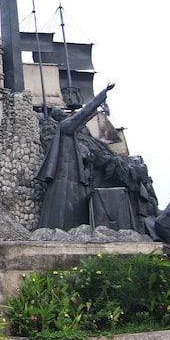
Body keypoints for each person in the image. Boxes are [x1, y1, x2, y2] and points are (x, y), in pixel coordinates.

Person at [36, 82, 115, 230]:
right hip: (66, 174)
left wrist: (98, 108)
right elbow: (82, 115)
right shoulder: (66, 127)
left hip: (70, 172)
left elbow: (83, 118)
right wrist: (101, 95)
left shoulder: (67, 129)